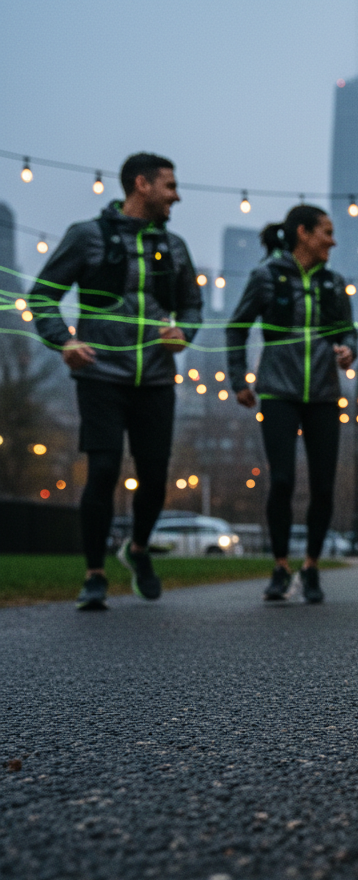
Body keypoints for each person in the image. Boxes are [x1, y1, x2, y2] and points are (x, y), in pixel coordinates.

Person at [29, 153, 202, 611]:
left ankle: (139, 550)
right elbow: (43, 296)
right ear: (141, 185)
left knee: (154, 477)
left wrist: (184, 333)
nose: (177, 195)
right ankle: (94, 576)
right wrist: (62, 341)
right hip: (101, 374)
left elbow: (192, 305)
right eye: (170, 185)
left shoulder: (177, 247)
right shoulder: (87, 237)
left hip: (158, 379)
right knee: (103, 471)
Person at [227, 205, 356, 603]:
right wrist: (239, 380)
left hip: (323, 394)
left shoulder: (334, 283)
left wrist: (349, 350)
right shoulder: (266, 277)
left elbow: (349, 332)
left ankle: (312, 567)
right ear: (303, 232)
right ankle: (281, 566)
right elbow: (237, 326)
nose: (333, 241)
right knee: (281, 480)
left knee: (323, 486)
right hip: (278, 391)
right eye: (327, 232)